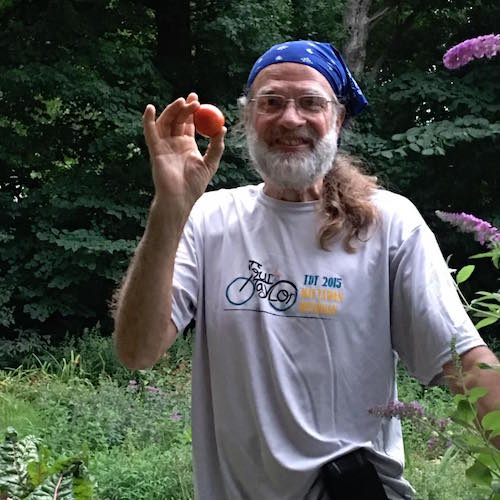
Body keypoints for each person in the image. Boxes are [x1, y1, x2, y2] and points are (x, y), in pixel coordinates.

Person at [113, 41, 499, 499]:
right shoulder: (210, 218)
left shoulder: (388, 223)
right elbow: (137, 351)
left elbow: (466, 367)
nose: (290, 119)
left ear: (337, 119)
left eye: (311, 103)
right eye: (271, 102)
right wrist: (169, 208)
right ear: (247, 118)